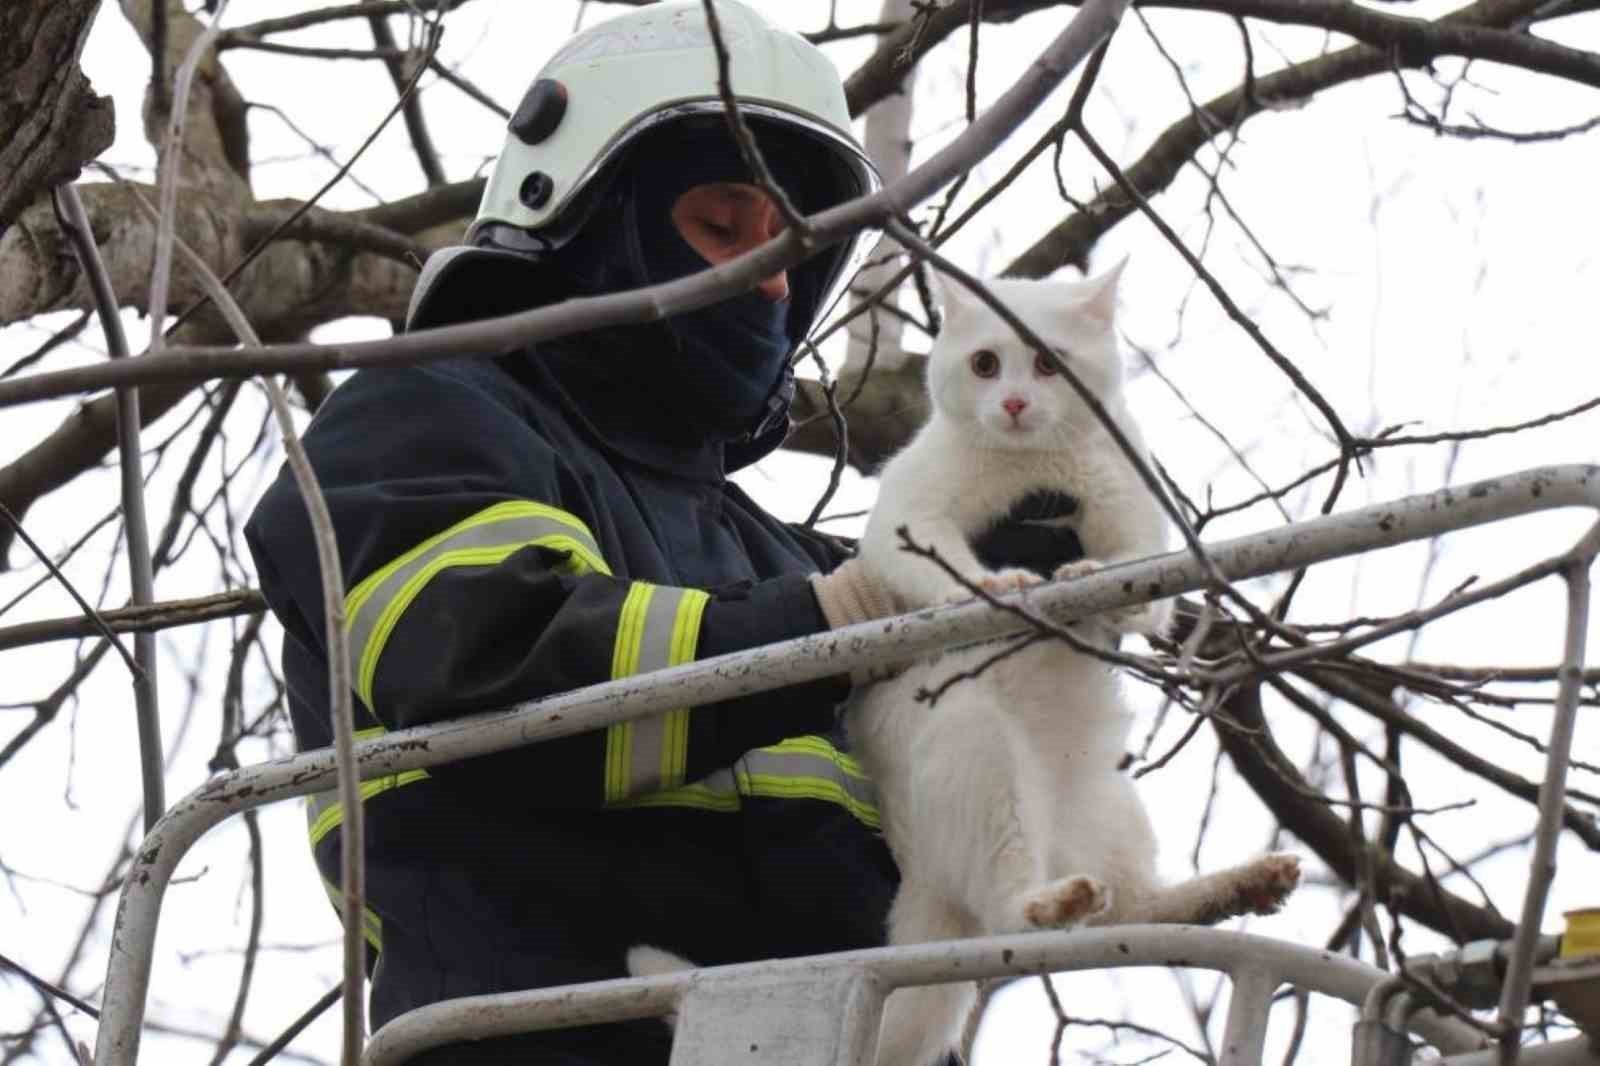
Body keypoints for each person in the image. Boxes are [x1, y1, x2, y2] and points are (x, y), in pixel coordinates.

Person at [245, 4, 909, 1062]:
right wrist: (827, 628)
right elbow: (500, 672)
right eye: (722, 223)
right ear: (598, 223)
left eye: (791, 248)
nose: (771, 282)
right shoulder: (423, 421)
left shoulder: (794, 560)